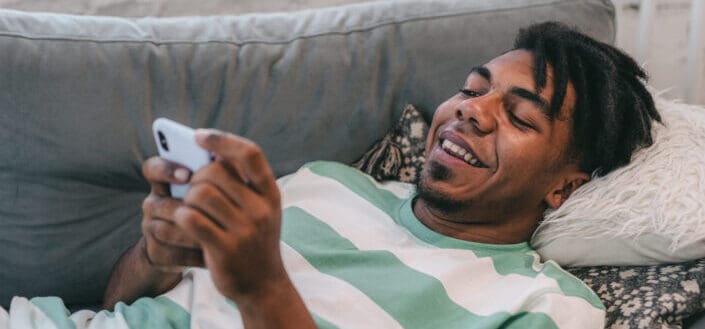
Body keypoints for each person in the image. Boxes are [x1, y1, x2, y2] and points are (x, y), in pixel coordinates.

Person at [1, 22, 660, 329]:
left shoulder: (545, 304)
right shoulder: (326, 181)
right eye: (471, 88)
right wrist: (154, 253)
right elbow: (120, 305)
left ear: (564, 185)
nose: (468, 112)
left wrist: (263, 288)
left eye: (517, 115)